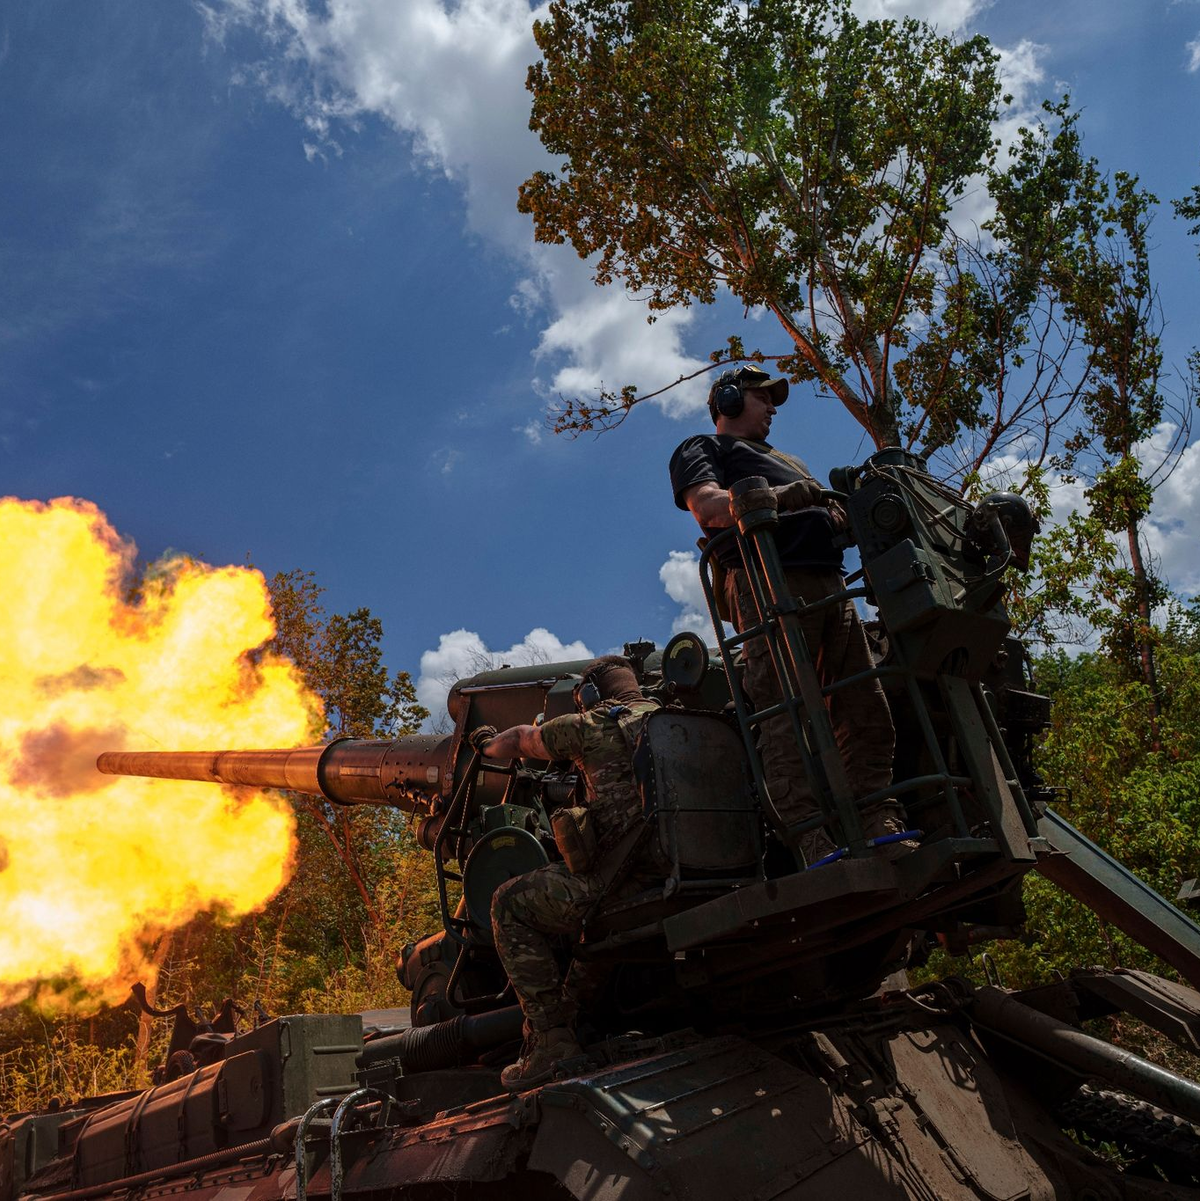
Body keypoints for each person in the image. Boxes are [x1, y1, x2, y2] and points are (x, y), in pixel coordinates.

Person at [668, 363, 905, 865]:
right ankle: (811, 837)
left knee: (865, 705)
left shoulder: (789, 460)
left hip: (828, 585)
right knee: (785, 716)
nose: (773, 408)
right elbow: (709, 507)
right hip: (767, 583)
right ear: (729, 402)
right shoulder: (703, 449)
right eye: (762, 398)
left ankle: (877, 819)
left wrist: (838, 514)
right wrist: (778, 497)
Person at [477, 655, 662, 1090]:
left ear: (593, 696)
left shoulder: (593, 724)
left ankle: (552, 1044)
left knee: (509, 903)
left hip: (625, 882)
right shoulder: (674, 718)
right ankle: (584, 1023)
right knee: (591, 935)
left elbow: (524, 739)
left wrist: (485, 743)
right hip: (682, 873)